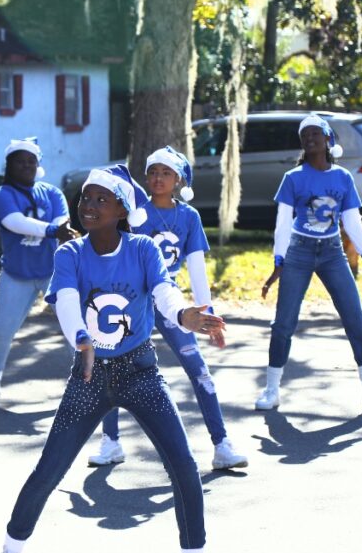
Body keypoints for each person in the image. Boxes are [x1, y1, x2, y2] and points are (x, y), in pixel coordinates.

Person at [0, 165, 228, 553]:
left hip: (139, 371)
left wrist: (186, 315)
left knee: (184, 467)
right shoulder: (70, 254)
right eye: (85, 199)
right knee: (48, 470)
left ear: (122, 210)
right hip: (89, 376)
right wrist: (81, 339)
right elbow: (67, 302)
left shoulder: (144, 249)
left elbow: (165, 292)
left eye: (100, 200)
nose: (88, 206)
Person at [89, 146, 247, 470]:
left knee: (199, 371)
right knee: (113, 367)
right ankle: (111, 443)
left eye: (165, 173)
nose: (157, 178)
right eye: (152, 172)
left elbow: (198, 269)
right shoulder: (133, 213)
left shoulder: (189, 217)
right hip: (133, 301)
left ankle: (222, 445)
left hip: (169, 300)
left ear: (178, 180)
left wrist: (209, 315)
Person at [255, 114, 362, 414]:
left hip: (332, 252)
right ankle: (271, 390)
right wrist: (279, 261)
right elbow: (282, 223)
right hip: (299, 251)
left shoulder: (343, 178)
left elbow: (352, 221)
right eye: (305, 134)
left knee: (355, 319)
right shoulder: (293, 178)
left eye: (316, 133)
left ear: (329, 139)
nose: (310, 138)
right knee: (283, 323)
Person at [0, 138, 79, 400]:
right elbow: (15, 222)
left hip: (54, 272)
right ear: (9, 165)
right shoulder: (2, 196)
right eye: (20, 161)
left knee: (73, 327)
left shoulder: (53, 193)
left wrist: (57, 228)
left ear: (39, 165)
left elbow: (61, 220)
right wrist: (53, 230)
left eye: (31, 161)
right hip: (16, 273)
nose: (26, 165)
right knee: (2, 330)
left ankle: (84, 381)